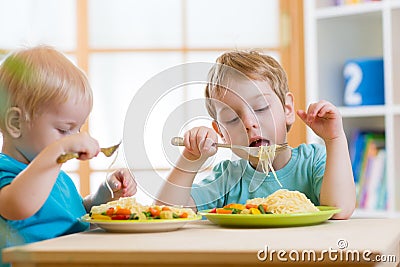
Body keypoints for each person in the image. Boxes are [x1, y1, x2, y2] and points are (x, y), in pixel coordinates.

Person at [156, 50, 355, 219]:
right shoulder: (227, 179)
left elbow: (339, 210)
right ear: (221, 133)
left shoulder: (313, 162)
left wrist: (334, 139)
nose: (249, 124)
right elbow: (168, 212)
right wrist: (190, 160)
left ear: (287, 109)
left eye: (260, 108)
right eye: (232, 119)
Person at [0, 46, 136, 264]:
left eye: (78, 129)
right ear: (16, 123)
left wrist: (103, 195)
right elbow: (18, 206)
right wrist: (58, 150)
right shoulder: (6, 171)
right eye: (64, 130)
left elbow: (76, 215)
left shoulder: (58, 178)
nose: (73, 138)